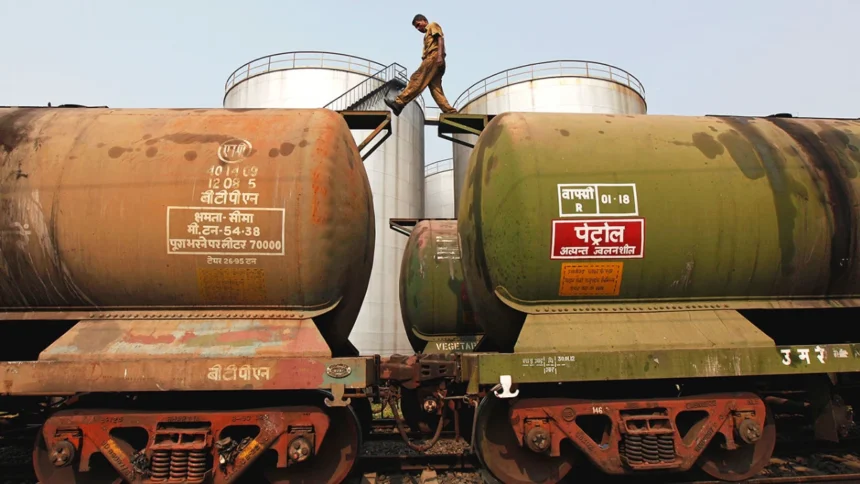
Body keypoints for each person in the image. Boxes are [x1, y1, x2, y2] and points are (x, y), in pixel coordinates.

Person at [385, 14, 457, 116]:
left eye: (418, 25)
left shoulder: (432, 25)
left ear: (424, 20)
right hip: (434, 59)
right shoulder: (426, 35)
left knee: (417, 78)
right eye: (416, 27)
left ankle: (399, 103)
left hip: (434, 57)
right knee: (435, 89)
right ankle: (450, 112)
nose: (418, 28)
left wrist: (440, 55)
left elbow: (440, 39)